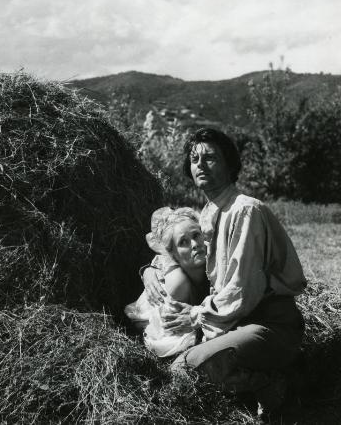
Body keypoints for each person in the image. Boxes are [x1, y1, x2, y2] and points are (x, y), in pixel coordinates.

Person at [141, 127, 306, 416]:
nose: (200, 165)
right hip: (234, 323)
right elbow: (184, 255)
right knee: (183, 366)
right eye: (194, 159)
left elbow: (243, 290)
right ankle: (248, 380)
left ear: (230, 164)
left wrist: (195, 316)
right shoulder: (208, 213)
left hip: (267, 324)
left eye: (210, 158)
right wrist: (150, 270)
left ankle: (274, 381)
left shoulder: (245, 211)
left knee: (187, 369)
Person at [125, 207, 209, 357]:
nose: (195, 244)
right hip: (153, 325)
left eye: (196, 235)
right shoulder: (178, 283)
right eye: (183, 242)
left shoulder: (213, 263)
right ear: (173, 254)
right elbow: (166, 343)